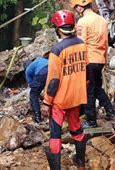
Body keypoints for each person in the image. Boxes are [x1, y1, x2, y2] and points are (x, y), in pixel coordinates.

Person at [41, 10, 88, 170]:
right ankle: (81, 165)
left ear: (57, 28)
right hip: (77, 96)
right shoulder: (82, 44)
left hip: (60, 100)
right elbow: (85, 70)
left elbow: (53, 80)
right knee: (76, 129)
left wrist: (47, 102)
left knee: (55, 133)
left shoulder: (57, 50)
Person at [71, 0, 115, 129]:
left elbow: (81, 43)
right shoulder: (102, 20)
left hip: (88, 60)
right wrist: (105, 60)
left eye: (76, 8)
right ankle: (111, 113)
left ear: (79, 7)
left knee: (88, 91)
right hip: (100, 59)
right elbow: (106, 42)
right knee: (97, 88)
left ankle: (91, 121)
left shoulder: (82, 22)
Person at [23, 54, 48, 123]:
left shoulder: (27, 70)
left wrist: (37, 94)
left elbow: (32, 85)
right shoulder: (38, 61)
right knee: (52, 89)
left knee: (33, 95)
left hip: (42, 72)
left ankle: (38, 118)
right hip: (53, 68)